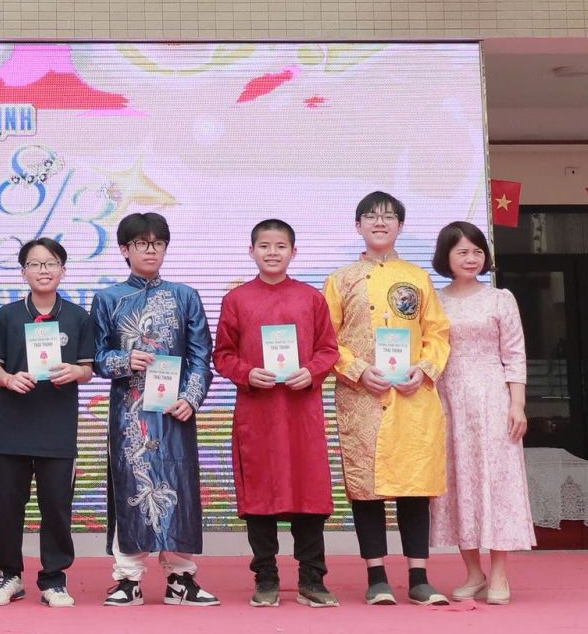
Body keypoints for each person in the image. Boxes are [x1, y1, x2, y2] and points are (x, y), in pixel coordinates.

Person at [323, 191, 451, 606]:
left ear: (401, 226)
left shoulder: (417, 277)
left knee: (414, 486)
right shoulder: (340, 279)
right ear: (357, 225)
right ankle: (376, 576)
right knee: (367, 487)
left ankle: (419, 577)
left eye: (389, 216)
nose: (380, 222)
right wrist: (358, 370)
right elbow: (326, 339)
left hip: (412, 395)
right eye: (371, 216)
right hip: (362, 395)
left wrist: (424, 369)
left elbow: (437, 333)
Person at [212, 219, 340, 609]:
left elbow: (329, 350)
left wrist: (312, 371)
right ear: (251, 251)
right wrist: (247, 373)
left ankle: (312, 579)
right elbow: (223, 355)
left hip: (302, 413)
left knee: (309, 494)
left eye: (280, 246)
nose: (272, 252)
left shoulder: (311, 298)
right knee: (260, 496)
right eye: (264, 246)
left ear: (294, 252)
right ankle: (265, 577)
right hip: (258, 414)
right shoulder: (237, 300)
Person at [92, 212, 217, 607]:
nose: (151, 250)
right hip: (130, 414)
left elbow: (201, 357)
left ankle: (181, 577)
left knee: (180, 484)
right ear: (124, 249)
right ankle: (128, 578)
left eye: (158, 243)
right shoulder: (108, 299)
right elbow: (95, 358)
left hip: (174, 410)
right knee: (129, 486)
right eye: (141, 243)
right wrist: (124, 360)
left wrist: (191, 398)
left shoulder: (185, 296)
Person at [0, 237, 95, 609]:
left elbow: (88, 369)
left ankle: (54, 579)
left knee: (57, 507)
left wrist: (75, 371)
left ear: (63, 269)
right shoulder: (8, 315)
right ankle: (8, 576)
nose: (43, 270)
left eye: (50, 263)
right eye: (35, 264)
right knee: (8, 507)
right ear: (23, 272)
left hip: (57, 430)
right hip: (10, 429)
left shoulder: (78, 317)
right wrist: (8, 379)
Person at [429, 221, 533, 605]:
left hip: (492, 398)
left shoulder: (500, 299)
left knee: (496, 482)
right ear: (446, 257)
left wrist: (517, 404)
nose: (471, 258)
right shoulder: (434, 301)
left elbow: (515, 354)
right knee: (459, 483)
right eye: (462, 252)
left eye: (477, 251)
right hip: (448, 400)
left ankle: (500, 573)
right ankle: (473, 572)